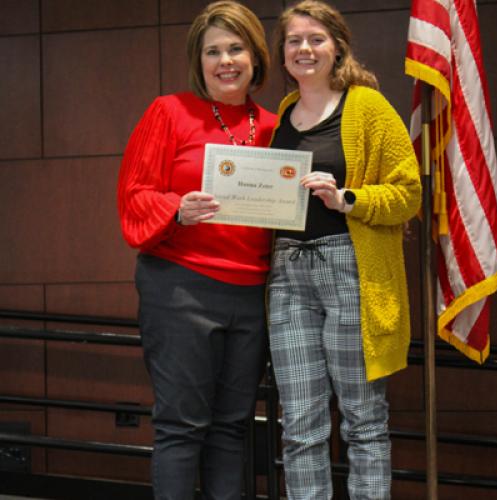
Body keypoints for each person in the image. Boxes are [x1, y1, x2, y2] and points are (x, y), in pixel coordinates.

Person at [117, 2, 276, 499]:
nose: (225, 60)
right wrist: (175, 208)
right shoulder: (169, 112)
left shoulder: (277, 126)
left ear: (255, 57)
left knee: (232, 428)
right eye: (213, 51)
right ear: (198, 59)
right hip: (180, 285)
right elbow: (134, 194)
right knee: (182, 426)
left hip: (252, 292)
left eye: (235, 48)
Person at [267, 1, 422, 499]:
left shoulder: (368, 107)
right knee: (300, 425)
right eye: (294, 41)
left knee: (363, 420)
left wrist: (346, 199)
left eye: (315, 39)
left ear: (337, 46)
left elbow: (408, 194)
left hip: (349, 268)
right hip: (288, 272)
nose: (304, 49)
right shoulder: (286, 113)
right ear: (283, 52)